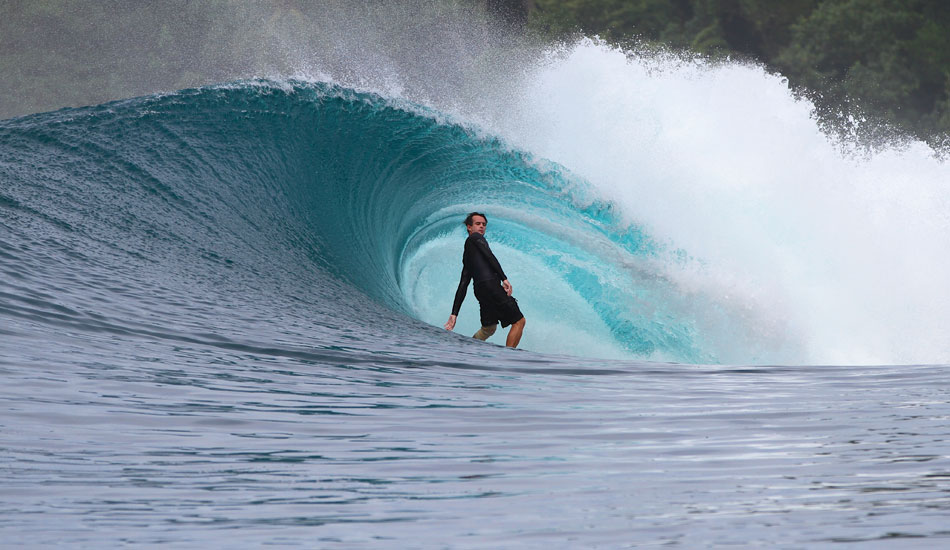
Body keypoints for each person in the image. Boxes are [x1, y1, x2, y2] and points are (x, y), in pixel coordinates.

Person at [444, 212, 526, 348]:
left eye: (484, 224)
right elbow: (489, 256)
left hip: (481, 291)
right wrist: (504, 278)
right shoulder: (476, 238)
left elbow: (463, 283)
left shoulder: (467, 254)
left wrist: (454, 313)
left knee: (489, 329)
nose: (481, 226)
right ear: (469, 227)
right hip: (491, 286)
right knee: (519, 321)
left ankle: (467, 349)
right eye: (478, 224)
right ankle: (509, 357)